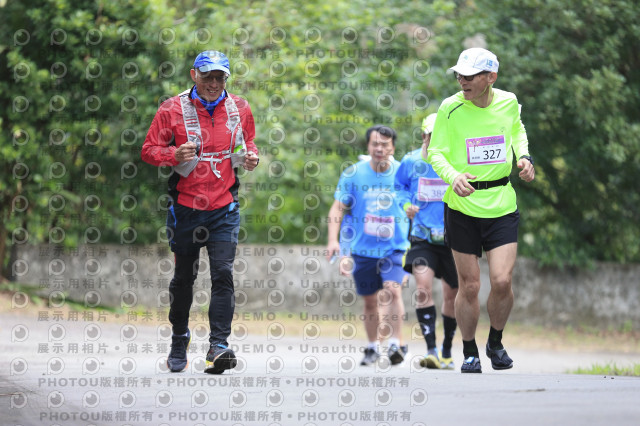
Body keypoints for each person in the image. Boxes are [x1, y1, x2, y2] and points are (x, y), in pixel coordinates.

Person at [141, 50, 259, 374]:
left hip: (224, 207)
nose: (214, 83)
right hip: (186, 208)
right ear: (194, 75)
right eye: (208, 76)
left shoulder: (240, 107)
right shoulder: (171, 109)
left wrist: (251, 157)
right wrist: (172, 154)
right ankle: (180, 337)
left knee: (223, 273)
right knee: (184, 279)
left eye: (220, 77)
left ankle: (218, 346)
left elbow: (248, 142)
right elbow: (148, 150)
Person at [427, 48, 535, 373]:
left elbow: (516, 130)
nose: (462, 81)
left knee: (502, 280)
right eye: (459, 75)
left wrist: (524, 157)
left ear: (491, 77)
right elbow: (436, 152)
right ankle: (469, 350)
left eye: (470, 76)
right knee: (470, 285)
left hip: (501, 203)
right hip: (462, 207)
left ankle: (495, 342)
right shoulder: (450, 108)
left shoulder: (508, 101)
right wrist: (453, 177)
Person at [326, 125, 410, 366]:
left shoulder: (402, 173)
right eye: (375, 144)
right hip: (363, 249)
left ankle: (395, 343)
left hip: (395, 247)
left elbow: (415, 205)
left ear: (393, 147)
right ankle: (373, 346)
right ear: (368, 146)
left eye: (385, 144)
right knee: (370, 301)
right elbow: (338, 208)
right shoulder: (354, 173)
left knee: (393, 290)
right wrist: (333, 241)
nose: (379, 148)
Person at [395, 113, 459, 370]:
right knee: (422, 288)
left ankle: (447, 350)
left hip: (453, 238)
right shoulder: (411, 161)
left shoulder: (455, 160)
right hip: (422, 236)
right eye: (432, 135)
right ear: (424, 136)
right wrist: (406, 206)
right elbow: (399, 188)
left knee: (452, 296)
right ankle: (431, 349)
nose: (436, 139)